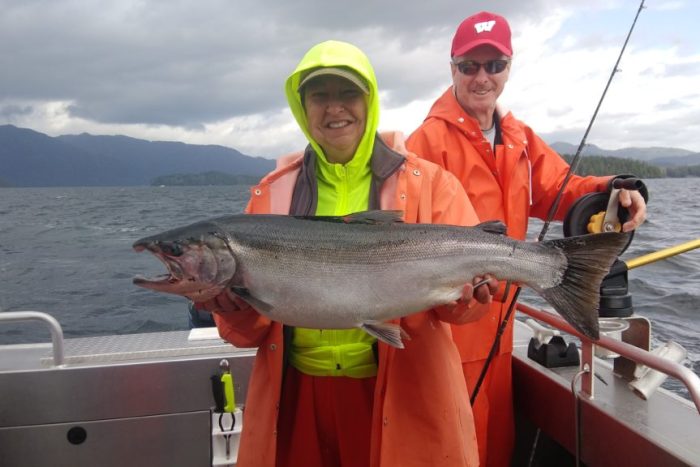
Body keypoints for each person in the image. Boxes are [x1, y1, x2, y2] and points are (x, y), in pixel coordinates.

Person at [196, 40, 499, 467]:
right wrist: (230, 308)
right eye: (320, 95)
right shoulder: (270, 193)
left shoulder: (433, 184)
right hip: (297, 394)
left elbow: (463, 312)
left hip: (400, 393)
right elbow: (249, 332)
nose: (334, 108)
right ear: (302, 107)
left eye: (348, 93)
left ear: (369, 99)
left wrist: (471, 299)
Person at [406, 11, 648, 467]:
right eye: (469, 65)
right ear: (452, 67)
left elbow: (561, 190)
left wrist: (615, 187)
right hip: (447, 328)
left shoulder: (518, 137)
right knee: (453, 447)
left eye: (494, 65)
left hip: (502, 327)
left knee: (497, 444)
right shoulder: (425, 142)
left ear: (509, 67)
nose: (482, 78)